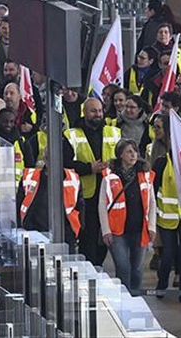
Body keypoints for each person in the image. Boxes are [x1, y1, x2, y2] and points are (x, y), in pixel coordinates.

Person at [65, 97, 122, 268]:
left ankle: (99, 265)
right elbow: (66, 164)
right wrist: (89, 168)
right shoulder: (72, 134)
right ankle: (90, 269)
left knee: (104, 234)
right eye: (93, 111)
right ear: (85, 113)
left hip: (110, 194)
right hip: (85, 195)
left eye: (100, 111)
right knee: (88, 235)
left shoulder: (114, 132)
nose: (98, 114)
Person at [99, 139, 155, 295]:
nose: (133, 155)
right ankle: (123, 300)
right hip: (117, 231)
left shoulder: (145, 175)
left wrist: (151, 227)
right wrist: (105, 230)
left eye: (135, 151)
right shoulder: (109, 176)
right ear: (120, 155)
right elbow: (102, 204)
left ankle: (135, 299)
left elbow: (152, 202)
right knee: (123, 267)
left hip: (139, 229)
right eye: (129, 151)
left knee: (137, 269)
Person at [152, 115, 181, 304]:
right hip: (166, 217)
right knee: (167, 254)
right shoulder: (161, 163)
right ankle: (161, 285)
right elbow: (152, 192)